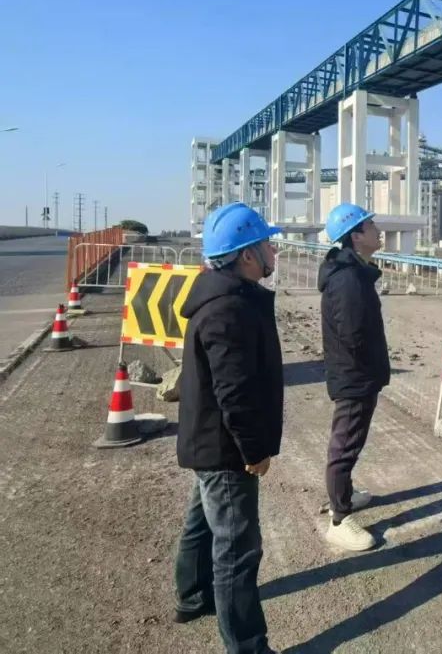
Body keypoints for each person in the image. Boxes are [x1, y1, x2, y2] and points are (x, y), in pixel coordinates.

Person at [174, 203, 283, 654]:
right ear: (246, 255)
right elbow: (234, 393)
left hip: (209, 442)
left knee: (202, 523)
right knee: (237, 549)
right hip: (226, 449)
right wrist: (254, 451)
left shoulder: (225, 297)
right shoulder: (229, 310)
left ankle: (192, 596)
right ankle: (247, 646)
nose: (274, 250)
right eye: (267, 243)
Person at [318, 202, 391, 551]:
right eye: (370, 225)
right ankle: (339, 519)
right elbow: (352, 335)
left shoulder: (354, 271)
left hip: (358, 374)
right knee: (344, 446)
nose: (378, 230)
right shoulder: (347, 279)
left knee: (351, 441)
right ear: (356, 236)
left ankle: (343, 495)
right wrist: (368, 368)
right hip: (354, 377)